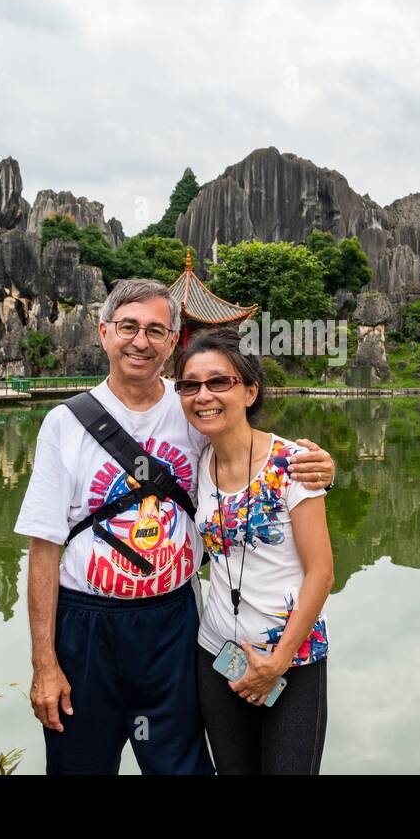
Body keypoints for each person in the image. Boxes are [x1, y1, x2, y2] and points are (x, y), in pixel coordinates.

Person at [13, 278, 336, 775]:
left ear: (171, 342)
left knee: (181, 765)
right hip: (86, 627)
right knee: (79, 765)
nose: (140, 341)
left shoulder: (192, 409)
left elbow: (254, 454)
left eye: (156, 330)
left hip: (172, 625)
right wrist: (44, 664)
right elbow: (44, 548)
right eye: (128, 327)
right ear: (104, 332)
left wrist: (321, 469)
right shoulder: (65, 423)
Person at [176, 328, 334, 774]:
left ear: (249, 391)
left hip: (291, 661)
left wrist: (277, 662)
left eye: (219, 382)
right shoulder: (196, 462)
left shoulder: (291, 464)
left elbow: (322, 573)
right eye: (190, 385)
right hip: (216, 653)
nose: (204, 396)